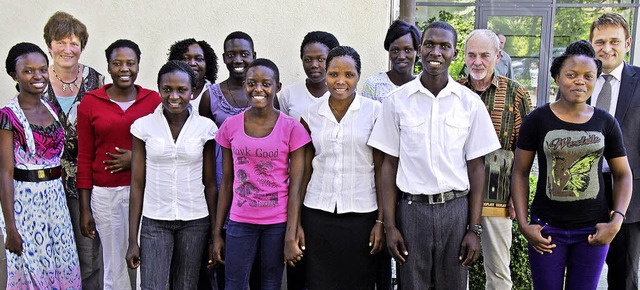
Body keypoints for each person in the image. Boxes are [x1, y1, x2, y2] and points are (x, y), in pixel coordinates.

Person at [367, 21, 500, 290]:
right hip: (412, 212)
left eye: (444, 46)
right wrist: (390, 225)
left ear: (454, 53)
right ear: (419, 49)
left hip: (455, 210)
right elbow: (388, 166)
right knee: (412, 285)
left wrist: (474, 228)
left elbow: (477, 168)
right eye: (429, 44)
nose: (435, 52)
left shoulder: (469, 103)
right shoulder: (396, 101)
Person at [511, 40, 632, 290]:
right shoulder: (537, 120)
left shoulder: (605, 123)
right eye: (571, 74)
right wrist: (524, 224)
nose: (580, 81)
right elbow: (520, 172)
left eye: (588, 76)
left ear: (596, 79)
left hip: (592, 232)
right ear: (557, 77)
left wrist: (616, 222)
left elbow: (623, 175)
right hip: (546, 231)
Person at [212, 58, 310, 289]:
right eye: (251, 83)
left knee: (269, 284)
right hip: (239, 221)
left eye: (266, 83)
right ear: (244, 85)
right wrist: (217, 233)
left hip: (276, 223)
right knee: (233, 284)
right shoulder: (230, 126)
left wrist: (291, 233)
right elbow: (226, 182)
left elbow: (296, 186)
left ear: (277, 87)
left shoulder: (292, 128)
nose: (258, 89)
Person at [125, 61, 218, 289]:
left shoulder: (205, 128)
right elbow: (137, 184)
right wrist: (132, 240)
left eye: (181, 90)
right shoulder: (143, 126)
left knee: (185, 285)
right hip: (155, 219)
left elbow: (210, 184)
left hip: (195, 220)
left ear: (192, 91)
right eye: (167, 89)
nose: (174, 96)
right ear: (159, 89)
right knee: (153, 285)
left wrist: (215, 234)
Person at [76, 39, 161, 290]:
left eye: (130, 63)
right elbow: (84, 156)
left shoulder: (153, 100)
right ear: (109, 67)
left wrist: (135, 159)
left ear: (138, 65)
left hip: (148, 192)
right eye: (117, 63)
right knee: (114, 264)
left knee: (149, 261)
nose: (124, 69)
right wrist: (84, 209)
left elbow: (165, 146)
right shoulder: (91, 102)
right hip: (106, 195)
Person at [297, 45, 383, 289]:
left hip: (362, 216)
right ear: (325, 74)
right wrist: (297, 224)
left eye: (349, 74)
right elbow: (303, 174)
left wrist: (381, 221)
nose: (340, 81)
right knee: (319, 282)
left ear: (358, 76)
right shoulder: (310, 115)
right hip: (317, 214)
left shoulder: (375, 112)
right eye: (334, 74)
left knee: (359, 282)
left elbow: (382, 171)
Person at [0, 42, 81, 289]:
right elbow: (5, 172)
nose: (38, 76)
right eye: (28, 71)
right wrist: (11, 228)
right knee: (33, 268)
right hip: (25, 203)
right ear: (15, 75)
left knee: (64, 264)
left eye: (43, 69)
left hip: (55, 198)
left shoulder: (50, 107)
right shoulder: (8, 115)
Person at [458, 29, 532, 290]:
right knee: (455, 270)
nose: (477, 61)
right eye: (471, 55)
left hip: (498, 197)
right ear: (464, 57)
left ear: (498, 56)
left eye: (485, 55)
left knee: (499, 273)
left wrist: (517, 195)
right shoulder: (453, 92)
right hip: (456, 197)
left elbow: (525, 149)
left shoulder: (517, 94)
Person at [41, 11, 105, 289]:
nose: (67, 49)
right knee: (53, 252)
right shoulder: (35, 81)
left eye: (74, 43)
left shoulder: (97, 82)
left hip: (85, 185)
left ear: (82, 46)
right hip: (47, 186)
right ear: (49, 44)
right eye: (60, 42)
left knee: (88, 254)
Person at [198, 31, 256, 290]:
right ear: (223, 58)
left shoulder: (264, 91)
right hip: (223, 184)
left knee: (257, 261)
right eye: (231, 54)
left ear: (253, 56)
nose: (238, 59)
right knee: (225, 255)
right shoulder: (211, 96)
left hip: (258, 188)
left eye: (244, 54)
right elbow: (205, 145)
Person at [589, 13, 640, 290]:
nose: (606, 48)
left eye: (614, 41)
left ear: (628, 43)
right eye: (600, 41)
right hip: (584, 189)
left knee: (623, 273)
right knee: (582, 265)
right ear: (591, 43)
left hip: (630, 192)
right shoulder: (578, 79)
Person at [278, 31, 339, 121]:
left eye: (321, 59)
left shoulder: (342, 93)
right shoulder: (289, 93)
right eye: (308, 59)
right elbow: (282, 130)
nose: (314, 64)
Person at [362, 20, 421, 103]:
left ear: (418, 51)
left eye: (407, 50)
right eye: (395, 50)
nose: (401, 56)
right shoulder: (374, 85)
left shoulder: (422, 87)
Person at [168, 38, 218, 115]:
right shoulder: (167, 92)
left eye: (199, 59)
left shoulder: (215, 95)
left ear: (208, 63)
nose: (192, 63)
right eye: (186, 58)